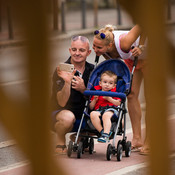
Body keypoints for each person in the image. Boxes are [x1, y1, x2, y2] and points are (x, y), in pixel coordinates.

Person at [92, 24, 148, 152]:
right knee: (131, 94)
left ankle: (150, 141)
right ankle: (137, 138)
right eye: (94, 46)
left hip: (150, 55)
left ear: (110, 45)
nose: (95, 49)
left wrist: (141, 46)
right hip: (133, 59)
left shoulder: (124, 44)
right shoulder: (105, 51)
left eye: (98, 47)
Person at [51, 36, 94, 154]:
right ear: (70, 50)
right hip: (62, 111)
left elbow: (95, 100)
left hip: (83, 111)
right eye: (74, 50)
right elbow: (61, 102)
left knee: (106, 118)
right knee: (68, 118)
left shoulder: (92, 70)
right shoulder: (61, 70)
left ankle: (79, 136)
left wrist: (83, 89)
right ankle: (60, 141)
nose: (77, 53)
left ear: (88, 52)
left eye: (81, 50)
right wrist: (67, 82)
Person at [89, 70, 121, 143]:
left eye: (110, 83)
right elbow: (91, 107)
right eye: (105, 82)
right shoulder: (96, 92)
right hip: (99, 110)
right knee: (92, 114)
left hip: (111, 110)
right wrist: (94, 100)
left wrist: (109, 99)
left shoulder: (115, 93)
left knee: (106, 115)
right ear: (100, 83)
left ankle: (106, 134)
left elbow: (118, 103)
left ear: (114, 85)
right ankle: (103, 132)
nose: (107, 85)